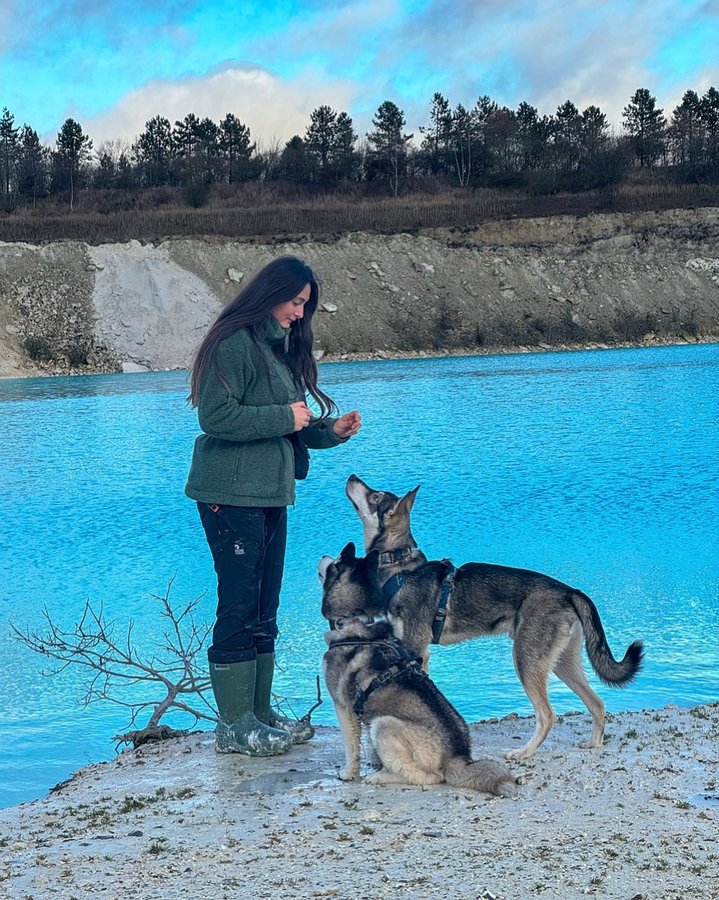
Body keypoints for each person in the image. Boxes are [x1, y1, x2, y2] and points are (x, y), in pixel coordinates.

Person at [185, 255, 361, 757]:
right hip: (229, 496)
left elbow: (289, 426)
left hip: (269, 494)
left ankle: (259, 715)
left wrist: (330, 431)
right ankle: (233, 725)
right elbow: (217, 418)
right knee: (239, 604)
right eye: (295, 302)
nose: (299, 314)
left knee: (265, 606)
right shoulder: (231, 344)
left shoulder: (276, 349)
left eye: (305, 306)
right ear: (270, 294)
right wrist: (285, 415)